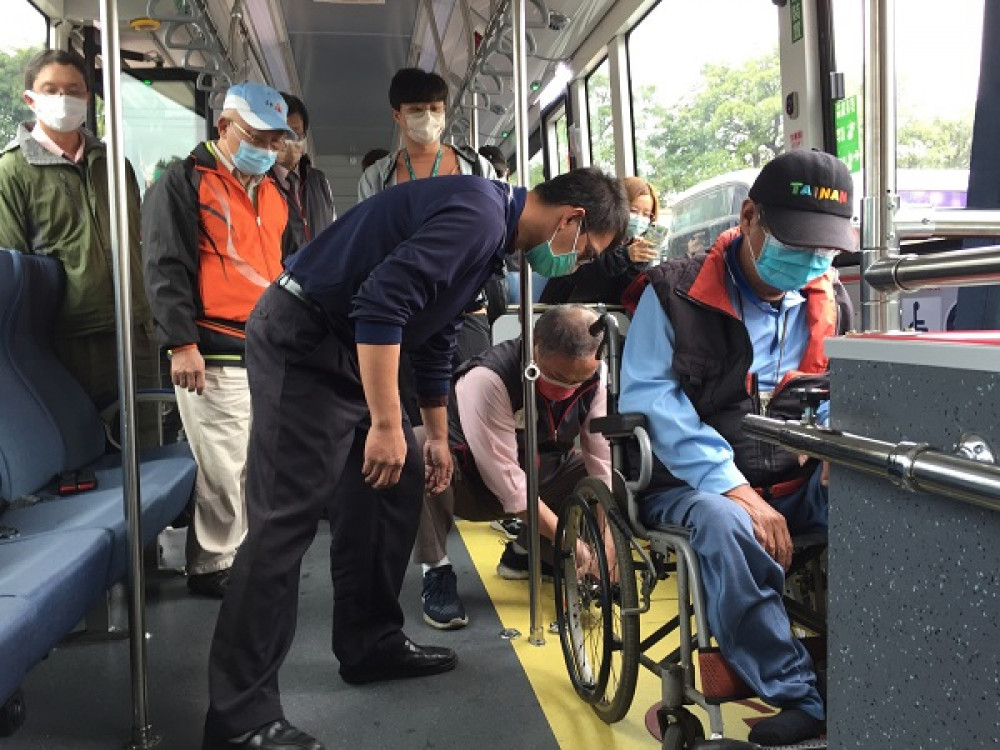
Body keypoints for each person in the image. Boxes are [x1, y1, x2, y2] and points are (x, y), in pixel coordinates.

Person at [201, 167, 628, 750]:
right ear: (572, 220)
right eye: (587, 252)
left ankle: (369, 643)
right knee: (284, 521)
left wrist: (435, 435)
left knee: (393, 484)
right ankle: (239, 717)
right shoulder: (479, 215)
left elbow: (436, 335)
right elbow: (381, 302)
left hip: (350, 346)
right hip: (305, 337)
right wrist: (384, 423)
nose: (577, 265)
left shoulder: (491, 239)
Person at [619, 149, 854, 747]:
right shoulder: (674, 296)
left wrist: (837, 444)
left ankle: (866, 662)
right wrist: (735, 487)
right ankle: (798, 694)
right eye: (796, 243)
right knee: (728, 524)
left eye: (825, 249)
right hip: (692, 485)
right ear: (749, 218)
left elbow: (846, 387)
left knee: (883, 501)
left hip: (799, 477)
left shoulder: (830, 300)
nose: (812, 260)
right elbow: (653, 402)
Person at [142, 81, 296, 599]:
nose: (269, 149)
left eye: (275, 140)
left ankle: (241, 554)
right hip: (210, 348)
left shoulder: (273, 191)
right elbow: (165, 266)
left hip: (265, 347)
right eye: (259, 137)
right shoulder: (184, 182)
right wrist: (180, 343)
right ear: (224, 126)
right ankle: (212, 563)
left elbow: (289, 265)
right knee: (223, 464)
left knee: (253, 460)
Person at [413, 304, 611, 629]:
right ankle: (436, 570)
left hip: (542, 473)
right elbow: (509, 486)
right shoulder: (488, 378)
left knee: (599, 476)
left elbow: (601, 460)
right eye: (559, 378)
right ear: (535, 345)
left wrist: (606, 545)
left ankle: (525, 553)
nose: (568, 390)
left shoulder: (596, 372)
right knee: (420, 447)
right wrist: (572, 542)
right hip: (473, 484)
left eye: (580, 380)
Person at [0, 49, 160, 446]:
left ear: (87, 97)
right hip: (65, 338)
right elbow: (12, 265)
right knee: (83, 452)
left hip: (134, 326)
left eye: (73, 90)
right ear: (30, 98)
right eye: (50, 89)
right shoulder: (12, 172)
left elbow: (136, 239)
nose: (63, 98)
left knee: (145, 445)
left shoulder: (114, 163)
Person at [357, 67, 503, 420]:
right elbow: (370, 245)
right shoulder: (378, 178)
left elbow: (498, 229)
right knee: (414, 413)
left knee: (473, 412)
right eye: (416, 110)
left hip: (467, 308)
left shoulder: (477, 169)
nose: (427, 117)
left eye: (435, 109)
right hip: (407, 314)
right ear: (397, 115)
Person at [540, 176, 660, 305]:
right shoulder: (589, 231)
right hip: (565, 307)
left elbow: (626, 294)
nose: (639, 219)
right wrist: (625, 256)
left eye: (646, 214)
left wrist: (637, 264)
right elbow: (580, 272)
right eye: (633, 211)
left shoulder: (635, 247)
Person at [271, 92, 337, 255]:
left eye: (295, 133)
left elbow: (332, 230)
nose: (288, 140)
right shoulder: (259, 181)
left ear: (304, 136)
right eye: (282, 133)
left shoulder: (319, 181)